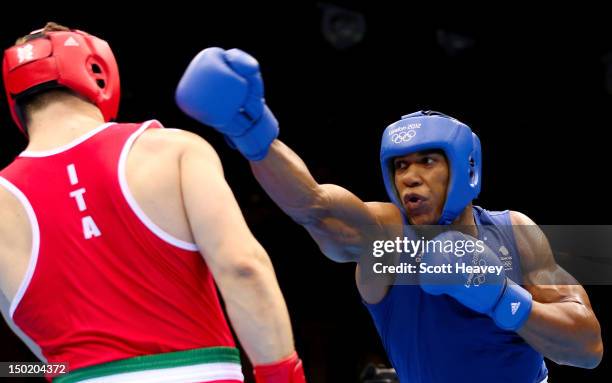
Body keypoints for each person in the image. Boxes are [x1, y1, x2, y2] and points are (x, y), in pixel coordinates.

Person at [175, 47, 604, 383]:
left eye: (427, 162)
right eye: (400, 166)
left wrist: (502, 298)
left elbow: (587, 348)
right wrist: (253, 136)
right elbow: (316, 208)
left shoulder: (515, 232)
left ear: (465, 168)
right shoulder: (390, 240)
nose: (410, 179)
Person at [0, 23, 306, 383]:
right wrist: (283, 377)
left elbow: (27, 333)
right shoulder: (170, 150)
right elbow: (242, 268)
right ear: (96, 69)